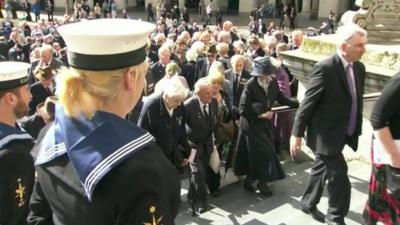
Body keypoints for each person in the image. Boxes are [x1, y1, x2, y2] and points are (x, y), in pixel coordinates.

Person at [27, 19, 181, 225]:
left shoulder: (48, 135)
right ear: (130, 77)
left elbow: (37, 217)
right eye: (143, 72)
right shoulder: (143, 173)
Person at [290, 23, 367, 225]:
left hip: (343, 132)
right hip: (323, 135)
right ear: (343, 46)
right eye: (359, 45)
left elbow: (355, 98)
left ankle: (307, 202)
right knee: (339, 175)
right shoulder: (325, 68)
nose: (363, 49)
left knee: (320, 168)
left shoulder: (359, 68)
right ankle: (335, 216)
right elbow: (308, 103)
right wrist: (296, 134)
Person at [235, 56, 298, 197]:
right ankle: (262, 183)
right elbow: (243, 109)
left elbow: (282, 99)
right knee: (265, 154)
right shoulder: (250, 84)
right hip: (250, 126)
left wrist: (300, 104)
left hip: (264, 126)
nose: (264, 76)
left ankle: (250, 180)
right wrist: (260, 115)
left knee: (258, 155)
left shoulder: (273, 83)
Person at [0, 61, 35, 225]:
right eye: (26, 90)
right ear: (11, 98)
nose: (30, 96)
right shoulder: (13, 155)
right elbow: (15, 216)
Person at [362, 72, 400, 225]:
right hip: (391, 150)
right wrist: (394, 156)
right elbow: (377, 118)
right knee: (386, 194)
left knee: (382, 196)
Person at [138, 76, 190, 173]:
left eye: (180, 101)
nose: (179, 104)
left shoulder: (179, 105)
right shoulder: (151, 106)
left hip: (174, 159)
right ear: (166, 95)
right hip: (156, 161)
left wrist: (185, 153)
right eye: (176, 100)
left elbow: (181, 131)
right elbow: (142, 136)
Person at [184, 78, 218, 214]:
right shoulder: (188, 106)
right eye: (206, 93)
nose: (210, 95)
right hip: (192, 147)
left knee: (201, 171)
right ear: (197, 93)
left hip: (207, 145)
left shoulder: (213, 102)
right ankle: (202, 200)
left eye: (211, 92)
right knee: (198, 174)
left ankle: (192, 194)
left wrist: (216, 140)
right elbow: (180, 128)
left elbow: (215, 122)